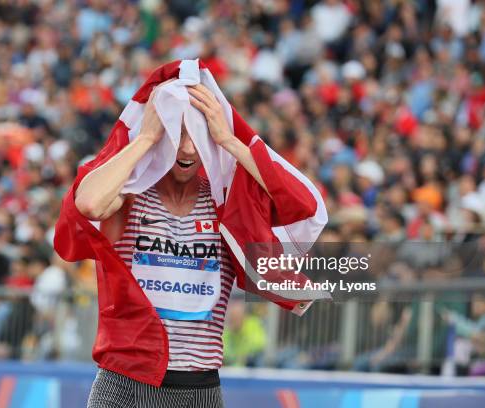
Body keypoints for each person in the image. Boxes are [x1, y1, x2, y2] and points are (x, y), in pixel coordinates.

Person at [54, 60, 327, 408]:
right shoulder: (130, 191)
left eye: (195, 135)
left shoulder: (225, 204)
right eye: (175, 132)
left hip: (199, 388)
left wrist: (230, 139)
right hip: (123, 382)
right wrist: (147, 138)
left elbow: (305, 206)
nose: (185, 149)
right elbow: (88, 205)